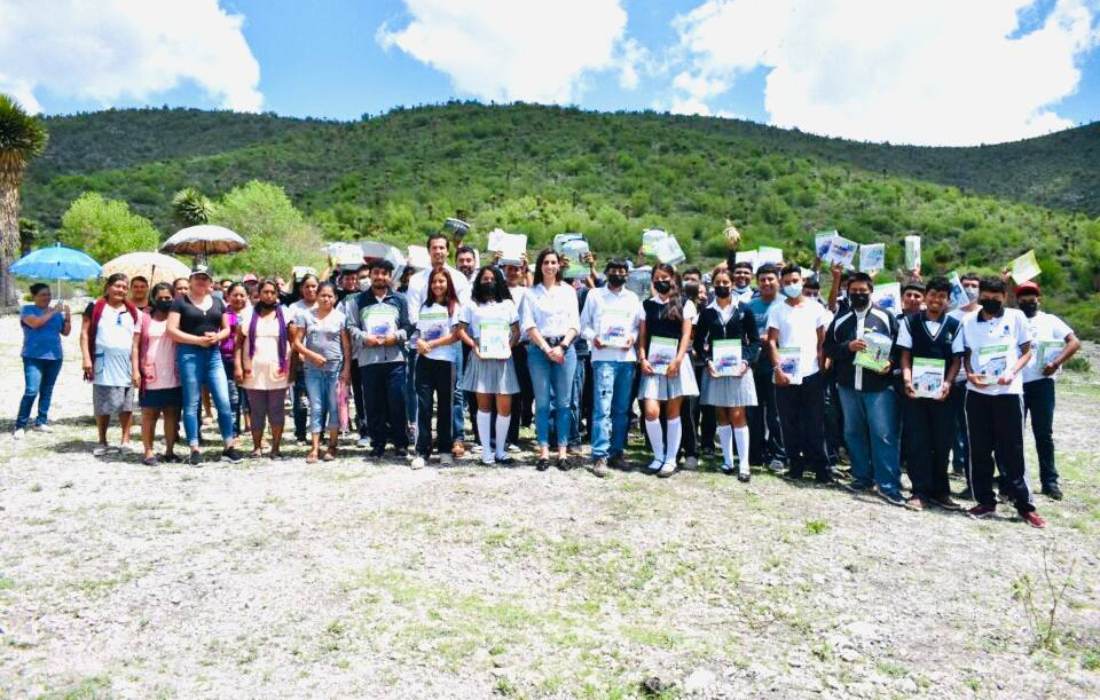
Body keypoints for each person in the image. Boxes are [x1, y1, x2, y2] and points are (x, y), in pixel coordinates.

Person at [961, 277, 1044, 528]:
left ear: (1005, 298)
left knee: (1012, 449)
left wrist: (1012, 372)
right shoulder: (967, 322)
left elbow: (1027, 351)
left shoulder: (1016, 318)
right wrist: (971, 374)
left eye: (996, 299)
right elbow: (965, 354)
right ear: (979, 297)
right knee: (979, 449)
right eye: (985, 297)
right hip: (977, 393)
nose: (990, 302)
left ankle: (1024, 505)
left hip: (1008, 392)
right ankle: (985, 500)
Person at [824, 272, 904, 504]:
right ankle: (861, 477)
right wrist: (847, 347)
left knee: (883, 434)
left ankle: (888, 485)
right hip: (848, 386)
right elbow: (829, 348)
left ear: (871, 291)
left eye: (863, 291)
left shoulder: (886, 316)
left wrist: (891, 364)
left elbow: (900, 349)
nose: (858, 295)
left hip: (878, 387)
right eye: (854, 291)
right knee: (853, 432)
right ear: (848, 292)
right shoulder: (841, 319)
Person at [897, 276, 964, 511]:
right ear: (926, 296)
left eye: (942, 296)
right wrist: (907, 379)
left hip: (943, 395)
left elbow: (957, 360)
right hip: (914, 392)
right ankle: (919, 492)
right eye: (933, 295)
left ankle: (941, 491)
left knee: (942, 442)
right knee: (918, 441)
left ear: (947, 300)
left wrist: (947, 383)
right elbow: (904, 355)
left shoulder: (955, 325)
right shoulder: (911, 323)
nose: (936, 300)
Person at [166, 265, 242, 465]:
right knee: (192, 402)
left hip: (213, 355)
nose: (201, 281)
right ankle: (194, 448)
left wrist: (217, 336)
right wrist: (196, 340)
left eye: (205, 278)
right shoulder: (180, 302)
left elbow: (227, 328)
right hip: (189, 354)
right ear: (190, 280)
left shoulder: (217, 302)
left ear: (210, 282)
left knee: (223, 401)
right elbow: (172, 330)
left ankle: (229, 445)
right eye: (197, 277)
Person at [407, 234, 473, 457]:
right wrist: (422, 342)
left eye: (442, 247)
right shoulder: (417, 280)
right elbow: (413, 315)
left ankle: (455, 439)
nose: (438, 251)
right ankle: (423, 447)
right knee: (424, 401)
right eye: (434, 247)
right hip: (423, 347)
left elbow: (462, 315)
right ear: (429, 251)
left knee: (453, 395)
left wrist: (439, 339)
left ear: (448, 251)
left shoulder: (459, 278)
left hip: (450, 347)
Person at [766, 265, 832, 484]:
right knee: (789, 422)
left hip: (812, 372)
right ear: (782, 284)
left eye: (795, 280)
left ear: (802, 281)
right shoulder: (777, 310)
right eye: (786, 282)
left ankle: (821, 468)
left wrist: (823, 365)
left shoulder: (816, 308)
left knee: (815, 423)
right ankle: (795, 465)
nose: (791, 285)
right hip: (786, 374)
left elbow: (822, 340)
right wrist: (778, 369)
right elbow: (772, 341)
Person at [1016, 281, 1080, 500]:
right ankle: (1012, 479)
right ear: (1017, 300)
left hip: (1042, 384)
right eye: (1023, 297)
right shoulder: (1014, 319)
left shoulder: (1050, 320)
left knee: (1043, 434)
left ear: (1039, 299)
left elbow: (1073, 342)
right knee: (1013, 434)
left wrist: (1056, 363)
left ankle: (1049, 481)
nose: (1028, 300)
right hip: (1016, 384)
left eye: (1031, 296)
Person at [694, 268, 759, 480]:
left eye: (725, 282)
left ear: (731, 284)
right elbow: (698, 341)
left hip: (739, 370)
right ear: (713, 285)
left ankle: (745, 464)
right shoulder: (707, 312)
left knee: (738, 414)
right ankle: (727, 461)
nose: (722, 286)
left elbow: (755, 341)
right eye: (718, 282)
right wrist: (707, 361)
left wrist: (746, 361)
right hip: (716, 370)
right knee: (721, 414)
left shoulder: (744, 310)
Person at [581, 258, 643, 478]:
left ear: (628, 275)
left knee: (621, 409)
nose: (619, 274)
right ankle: (599, 454)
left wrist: (632, 339)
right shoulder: (595, 295)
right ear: (606, 273)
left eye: (623, 271)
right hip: (603, 357)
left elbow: (637, 327)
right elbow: (584, 325)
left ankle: (617, 452)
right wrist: (594, 338)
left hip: (626, 358)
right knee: (602, 408)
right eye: (614, 270)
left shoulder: (633, 298)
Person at [345, 259, 413, 459]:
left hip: (395, 359)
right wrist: (365, 337)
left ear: (390, 276)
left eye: (384, 273)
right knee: (373, 403)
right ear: (370, 274)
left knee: (397, 401)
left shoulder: (400, 299)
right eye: (376, 273)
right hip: (369, 359)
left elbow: (409, 326)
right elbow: (351, 326)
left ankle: (401, 443)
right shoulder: (357, 300)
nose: (380, 277)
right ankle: (378, 443)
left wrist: (397, 336)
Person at [637, 263, 699, 478]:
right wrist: (642, 358)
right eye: (657, 278)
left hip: (676, 365)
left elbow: (686, 336)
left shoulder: (685, 304)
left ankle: (671, 459)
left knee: (674, 413)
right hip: (653, 365)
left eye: (665, 277)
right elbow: (642, 336)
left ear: (673, 279)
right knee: (651, 411)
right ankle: (658, 455)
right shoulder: (646, 305)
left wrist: (679, 360)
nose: (661, 281)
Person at [456, 265, 521, 466]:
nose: (488, 282)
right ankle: (486, 451)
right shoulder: (471, 305)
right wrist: (473, 345)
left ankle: (500, 450)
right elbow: (461, 330)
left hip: (503, 359)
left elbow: (516, 331)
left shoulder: (508, 304)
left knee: (504, 407)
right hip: (481, 358)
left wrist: (509, 347)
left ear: (499, 281)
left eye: (492, 278)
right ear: (479, 282)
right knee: (483, 407)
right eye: (484, 279)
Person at [523, 249, 580, 470]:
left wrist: (562, 346)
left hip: (565, 349)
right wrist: (547, 349)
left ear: (559, 266)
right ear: (540, 266)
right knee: (543, 402)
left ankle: (563, 452)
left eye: (553, 262)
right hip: (540, 350)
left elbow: (575, 323)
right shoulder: (531, 293)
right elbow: (529, 325)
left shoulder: (568, 291)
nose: (549, 266)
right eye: (545, 262)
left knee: (564, 403)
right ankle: (544, 451)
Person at [80, 274, 140, 456]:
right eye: (117, 286)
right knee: (102, 404)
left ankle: (126, 439)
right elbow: (84, 334)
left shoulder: (132, 311)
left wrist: (136, 369)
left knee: (127, 404)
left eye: (124, 287)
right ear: (108, 286)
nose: (120, 290)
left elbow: (135, 343)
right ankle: (102, 440)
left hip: (126, 362)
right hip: (103, 361)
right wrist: (86, 358)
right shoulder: (95, 307)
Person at [292, 282, 351, 463]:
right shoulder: (305, 316)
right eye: (323, 295)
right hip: (312, 369)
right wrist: (312, 355)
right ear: (317, 296)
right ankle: (315, 447)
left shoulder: (341, 317)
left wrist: (347, 369)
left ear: (335, 298)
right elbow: (297, 343)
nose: (326, 299)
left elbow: (347, 347)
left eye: (330, 296)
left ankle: (332, 445)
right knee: (316, 407)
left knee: (334, 407)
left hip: (334, 368)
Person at [412, 268, 461, 469]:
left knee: (445, 406)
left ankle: (444, 449)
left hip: (445, 361)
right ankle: (422, 450)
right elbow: (418, 333)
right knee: (423, 407)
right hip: (424, 361)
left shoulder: (454, 306)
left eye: (442, 281)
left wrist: (432, 344)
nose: (438, 285)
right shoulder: (425, 306)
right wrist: (419, 342)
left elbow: (455, 334)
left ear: (448, 283)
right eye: (434, 282)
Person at [237, 279, 292, 458]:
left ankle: (276, 447)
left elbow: (294, 342)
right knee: (257, 410)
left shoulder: (285, 313)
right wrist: (238, 366)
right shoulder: (247, 313)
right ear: (259, 293)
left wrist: (293, 369)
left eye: (272, 292)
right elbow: (238, 343)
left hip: (279, 368)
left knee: (276, 409)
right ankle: (257, 446)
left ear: (277, 294)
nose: (269, 295)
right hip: (252, 369)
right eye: (265, 292)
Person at [14, 283, 71, 438]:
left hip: (55, 357)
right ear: (34, 296)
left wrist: (67, 318)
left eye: (48, 294)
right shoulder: (28, 310)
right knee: (32, 390)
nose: (47, 297)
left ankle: (41, 421)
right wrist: (53, 312)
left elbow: (65, 332)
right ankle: (20, 425)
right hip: (33, 356)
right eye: (43, 294)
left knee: (47, 390)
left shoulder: (56, 313)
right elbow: (36, 323)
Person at [137, 282, 182, 466]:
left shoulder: (178, 318)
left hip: (173, 373)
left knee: (172, 413)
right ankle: (148, 451)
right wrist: (135, 370)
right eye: (161, 298)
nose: (164, 301)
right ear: (154, 298)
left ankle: (170, 451)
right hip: (150, 373)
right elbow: (134, 346)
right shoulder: (144, 318)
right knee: (149, 414)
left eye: (168, 298)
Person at [746, 264, 786, 470]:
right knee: (753, 412)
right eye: (762, 280)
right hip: (754, 366)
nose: (766, 283)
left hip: (777, 364)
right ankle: (755, 453)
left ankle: (778, 454)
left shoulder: (786, 304)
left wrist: (769, 339)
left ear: (778, 280)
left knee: (775, 413)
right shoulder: (750, 306)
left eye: (770, 279)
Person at [947, 272, 980, 484]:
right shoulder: (951, 313)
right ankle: (957, 465)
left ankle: (970, 472)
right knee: (951, 426)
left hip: (973, 381)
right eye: (965, 285)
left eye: (974, 285)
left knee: (970, 429)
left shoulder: (984, 314)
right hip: (951, 378)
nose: (969, 289)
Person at [286, 273, 320, 446]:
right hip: (300, 359)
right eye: (307, 286)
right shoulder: (294, 308)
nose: (310, 289)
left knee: (319, 399)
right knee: (301, 398)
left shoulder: (325, 305)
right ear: (301, 289)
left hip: (321, 360)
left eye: (314, 286)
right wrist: (298, 352)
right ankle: (300, 433)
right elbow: (289, 332)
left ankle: (318, 431)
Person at [221, 282, 248, 436]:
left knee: (250, 398)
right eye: (235, 295)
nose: (238, 298)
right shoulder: (223, 315)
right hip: (228, 359)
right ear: (228, 296)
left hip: (249, 360)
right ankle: (233, 430)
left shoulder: (253, 314)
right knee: (233, 397)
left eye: (242, 295)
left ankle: (252, 428)